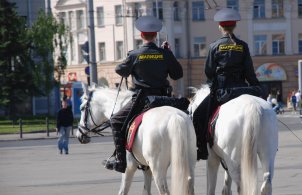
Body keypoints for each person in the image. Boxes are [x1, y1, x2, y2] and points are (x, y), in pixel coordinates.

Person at [104, 16, 183, 173]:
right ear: (155, 35)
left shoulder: (135, 55)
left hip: (142, 100)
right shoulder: (165, 53)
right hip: (165, 99)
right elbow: (177, 74)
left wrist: (130, 57)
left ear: (141, 35)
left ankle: (120, 161)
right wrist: (168, 54)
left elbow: (120, 70)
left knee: (115, 121)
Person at [192, 8, 261, 160]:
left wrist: (213, 83)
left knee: (197, 115)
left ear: (220, 27)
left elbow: (209, 72)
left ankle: (202, 149)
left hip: (222, 91)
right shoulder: (243, 45)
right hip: (242, 89)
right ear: (234, 26)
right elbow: (249, 72)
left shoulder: (214, 46)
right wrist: (257, 88)